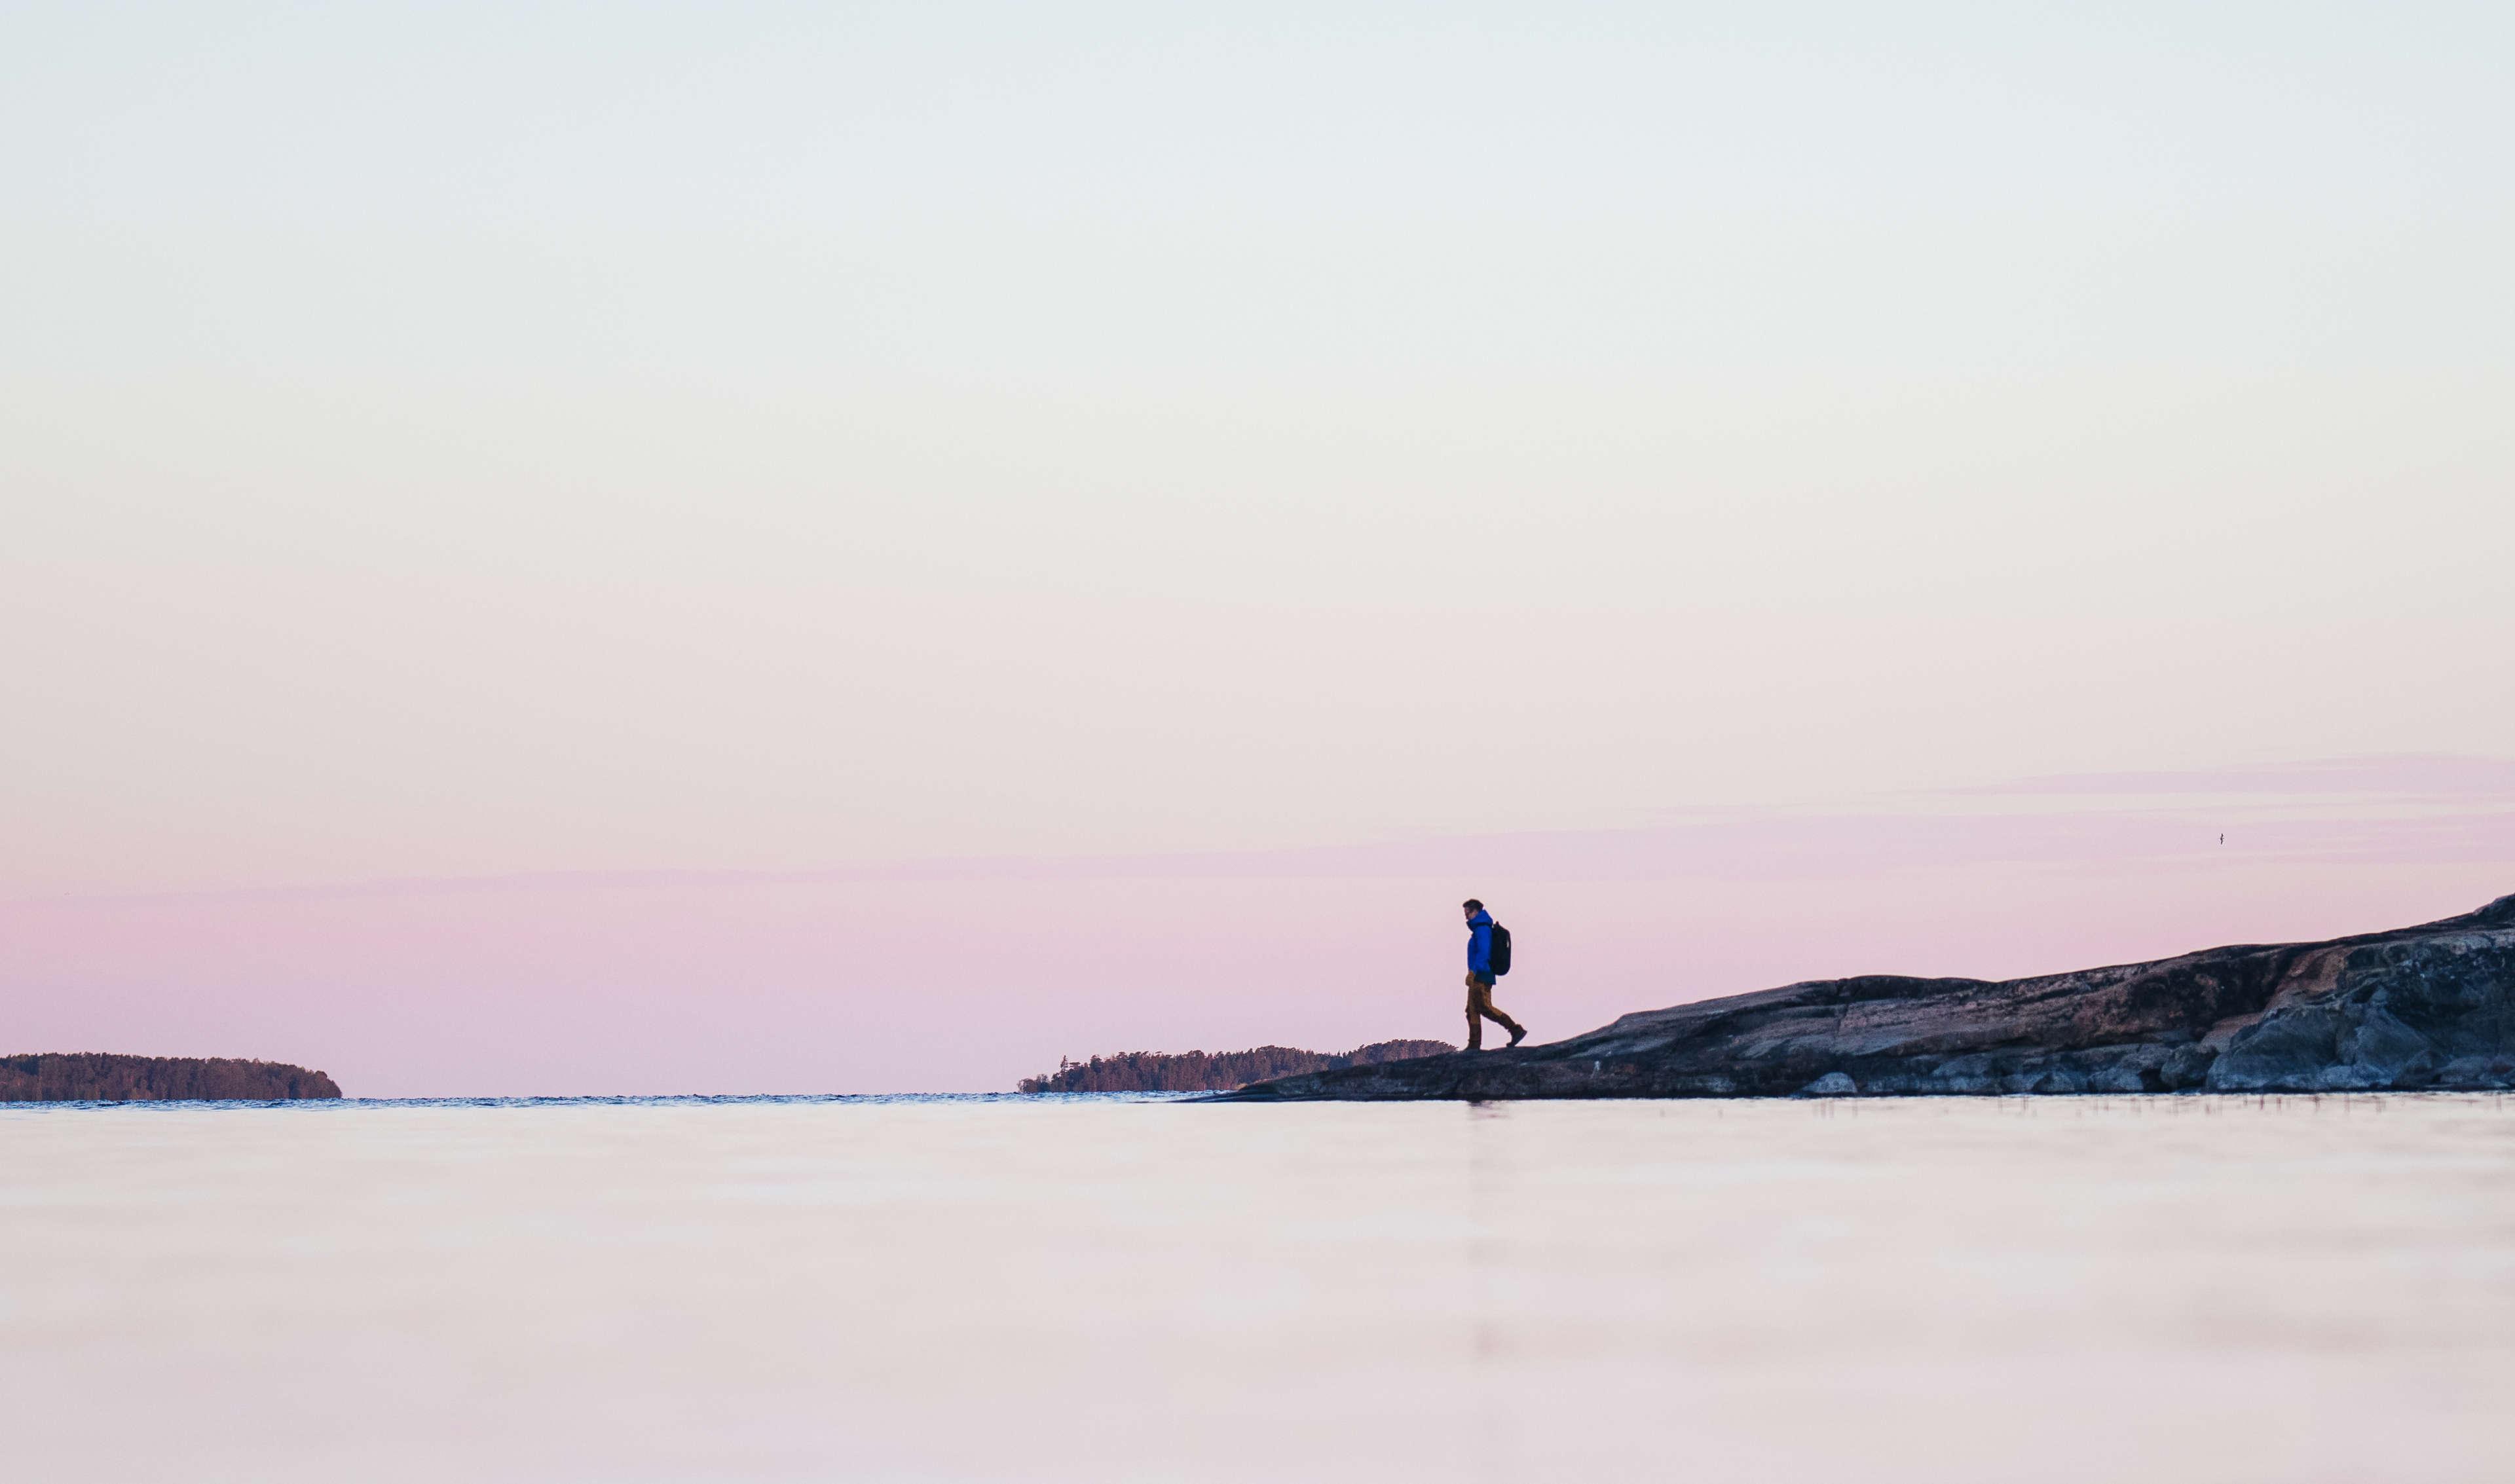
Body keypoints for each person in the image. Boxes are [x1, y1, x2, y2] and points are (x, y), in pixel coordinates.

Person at [1461, 899, 1525, 1051]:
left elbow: (1484, 953)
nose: (1466, 917)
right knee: (1472, 1009)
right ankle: (1474, 1044)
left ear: (1476, 912)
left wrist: (1473, 972)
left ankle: (1515, 1029)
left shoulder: (1482, 929)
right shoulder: (1479, 929)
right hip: (1478, 975)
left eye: (1468, 913)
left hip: (1482, 975)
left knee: (1484, 1006)